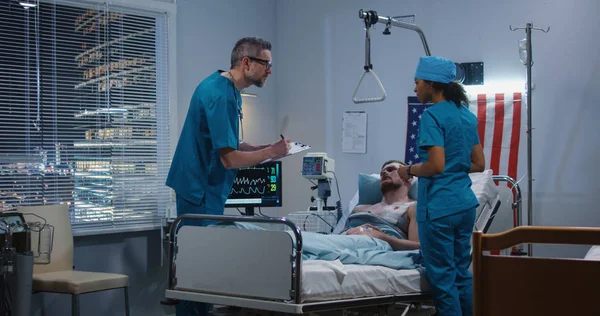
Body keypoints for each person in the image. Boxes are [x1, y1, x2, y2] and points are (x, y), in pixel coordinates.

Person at [166, 37, 290, 316]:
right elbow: (230, 159)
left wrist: (264, 149)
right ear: (246, 63)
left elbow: (230, 143)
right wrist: (271, 150)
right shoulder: (220, 94)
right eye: (266, 64)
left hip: (203, 187)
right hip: (198, 189)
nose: (270, 70)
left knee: (203, 267)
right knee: (197, 270)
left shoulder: (227, 88)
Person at [397, 56, 485, 316]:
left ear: (432, 84)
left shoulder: (431, 116)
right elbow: (478, 163)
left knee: (443, 281)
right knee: (461, 274)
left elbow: (434, 166)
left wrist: (409, 170)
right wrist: (454, 163)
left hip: (439, 209)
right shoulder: (466, 116)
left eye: (417, 83)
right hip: (464, 206)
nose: (415, 89)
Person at [344, 160, 420, 251]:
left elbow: (418, 247)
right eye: (382, 173)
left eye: (391, 169)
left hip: (374, 246)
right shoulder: (359, 209)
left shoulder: (413, 208)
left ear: (408, 177)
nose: (384, 172)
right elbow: (341, 234)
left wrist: (380, 236)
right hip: (344, 241)